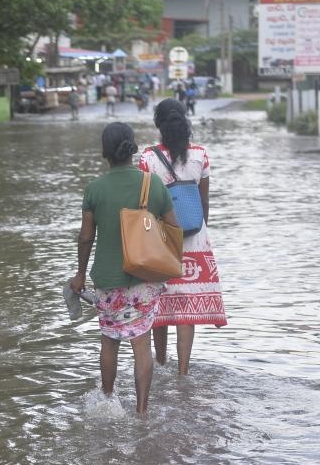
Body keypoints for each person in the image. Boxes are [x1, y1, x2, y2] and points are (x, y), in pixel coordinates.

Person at [70, 122, 177, 415]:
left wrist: (80, 274)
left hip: (108, 278)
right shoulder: (152, 184)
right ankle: (142, 411)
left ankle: (107, 401)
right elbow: (173, 228)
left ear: (105, 152)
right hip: (144, 277)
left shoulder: (94, 189)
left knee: (109, 340)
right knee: (141, 342)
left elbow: (85, 237)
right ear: (132, 147)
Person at [138, 99, 227, 375]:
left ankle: (162, 363)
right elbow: (204, 200)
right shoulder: (201, 155)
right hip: (196, 241)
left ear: (159, 125)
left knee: (160, 306)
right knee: (187, 309)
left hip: (162, 241)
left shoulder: (148, 159)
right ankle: (184, 372)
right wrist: (201, 231)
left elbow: (145, 206)